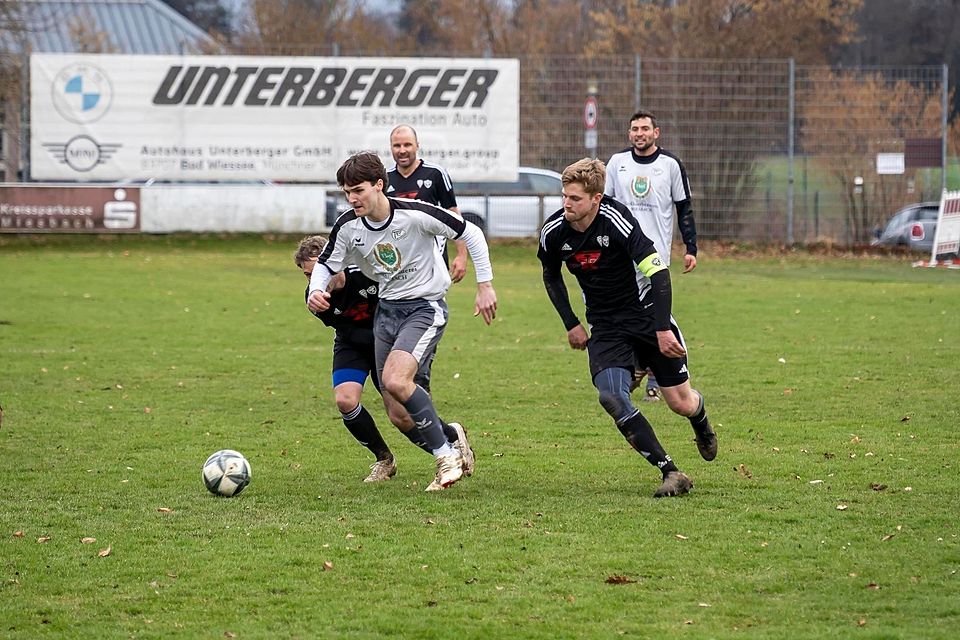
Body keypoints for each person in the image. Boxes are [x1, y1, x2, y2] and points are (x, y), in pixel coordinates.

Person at [308, 152, 497, 491]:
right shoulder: (349, 226)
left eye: (359, 190)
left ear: (379, 185)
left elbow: (471, 234)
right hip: (387, 313)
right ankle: (452, 437)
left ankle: (445, 457)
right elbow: (325, 262)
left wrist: (484, 285)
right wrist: (315, 289)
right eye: (346, 191)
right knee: (397, 413)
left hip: (424, 308)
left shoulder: (415, 214)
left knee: (395, 380)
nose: (352, 198)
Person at [538, 158, 716, 498]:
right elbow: (550, 274)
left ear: (596, 198)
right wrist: (571, 322)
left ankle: (701, 420)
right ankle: (671, 471)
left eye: (574, 199)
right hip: (605, 326)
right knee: (611, 397)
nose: (566, 204)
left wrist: (662, 329)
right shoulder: (554, 231)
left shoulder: (616, 221)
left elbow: (659, 273)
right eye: (564, 196)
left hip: (647, 317)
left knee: (680, 403)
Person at [295, 235, 472, 483]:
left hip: (388, 344)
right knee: (345, 400)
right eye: (307, 275)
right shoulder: (314, 298)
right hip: (351, 345)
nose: (315, 280)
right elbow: (346, 329)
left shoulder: (367, 273)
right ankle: (384, 460)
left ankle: (451, 439)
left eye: (319, 271)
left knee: (400, 415)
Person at [605, 110, 699, 402]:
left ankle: (658, 370)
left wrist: (690, 247)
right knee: (629, 311)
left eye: (645, 128)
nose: (639, 133)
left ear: (656, 133)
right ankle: (641, 364)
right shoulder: (616, 163)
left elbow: (684, 207)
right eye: (635, 129)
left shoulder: (670, 165)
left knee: (655, 311)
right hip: (621, 255)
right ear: (629, 133)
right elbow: (604, 206)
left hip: (654, 255)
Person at [387, 124, 469, 283]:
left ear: (417, 145)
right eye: (397, 145)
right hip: (398, 259)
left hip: (433, 258)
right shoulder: (384, 178)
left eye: (407, 144)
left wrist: (461, 255)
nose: (402, 150)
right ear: (391, 147)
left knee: (432, 304)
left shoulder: (435, 173)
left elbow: (453, 213)